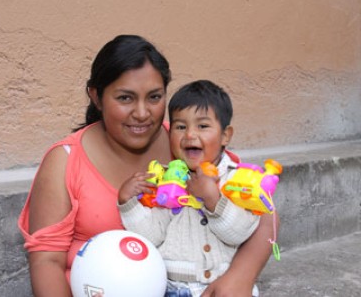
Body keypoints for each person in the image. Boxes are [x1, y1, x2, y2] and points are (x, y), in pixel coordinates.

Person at [18, 34, 278, 297]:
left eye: (154, 97)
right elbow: (46, 261)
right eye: (125, 98)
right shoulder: (65, 160)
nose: (142, 113)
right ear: (96, 97)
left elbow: (263, 210)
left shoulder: (185, 144)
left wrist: (240, 277)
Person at [118, 80, 261, 296]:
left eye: (202, 126)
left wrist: (214, 199)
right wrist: (128, 203)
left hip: (222, 287)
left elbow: (240, 233)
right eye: (180, 127)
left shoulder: (236, 180)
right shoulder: (168, 180)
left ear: (225, 135)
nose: (190, 135)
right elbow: (152, 236)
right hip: (172, 287)